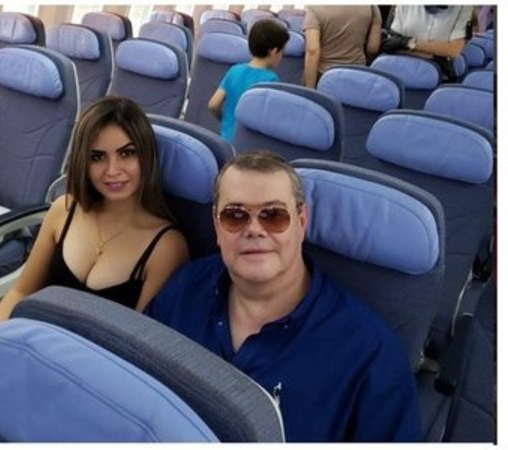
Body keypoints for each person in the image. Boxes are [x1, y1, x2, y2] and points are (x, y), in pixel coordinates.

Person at [145, 151, 421, 442]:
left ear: (301, 222)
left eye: (273, 215)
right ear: (216, 226)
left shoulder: (370, 353)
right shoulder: (184, 289)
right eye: (235, 216)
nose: (254, 230)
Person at [0, 96, 189, 327]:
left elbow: (138, 338)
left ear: (146, 156)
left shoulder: (167, 248)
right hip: (31, 338)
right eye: (97, 157)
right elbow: (21, 292)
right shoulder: (64, 210)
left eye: (127, 153)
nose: (112, 170)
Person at [208, 19, 289, 142]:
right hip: (248, 144)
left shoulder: (234, 70)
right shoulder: (271, 80)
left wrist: (226, 120)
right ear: (273, 51)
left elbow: (213, 104)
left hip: (225, 140)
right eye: (282, 51)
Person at [381, 5, 473, 79]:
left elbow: (453, 50)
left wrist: (407, 43)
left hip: (437, 76)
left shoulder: (464, 7)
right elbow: (392, 44)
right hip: (398, 68)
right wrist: (435, 55)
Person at [302, 6, 382, 88]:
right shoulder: (372, 7)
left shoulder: (314, 7)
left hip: (324, 74)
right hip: (357, 73)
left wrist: (310, 89)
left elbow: (312, 51)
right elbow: (373, 48)